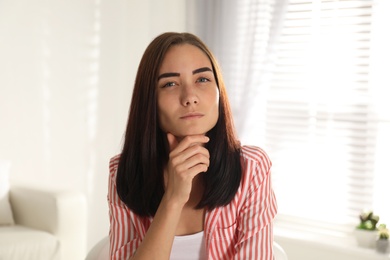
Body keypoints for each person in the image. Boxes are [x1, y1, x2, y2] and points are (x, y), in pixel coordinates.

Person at [108, 32, 277, 260]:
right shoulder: (124, 171)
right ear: (149, 101)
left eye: (202, 79)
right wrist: (173, 198)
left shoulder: (252, 168)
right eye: (170, 83)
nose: (190, 97)